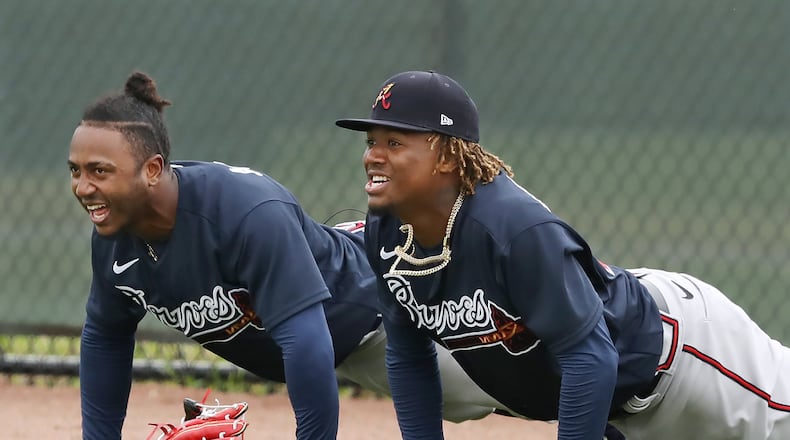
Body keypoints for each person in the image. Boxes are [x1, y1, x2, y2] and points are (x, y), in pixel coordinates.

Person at [335, 70, 790, 440]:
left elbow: (590, 358)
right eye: (371, 141)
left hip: (685, 359)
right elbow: (408, 354)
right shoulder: (388, 232)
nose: (373, 156)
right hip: (614, 407)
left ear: (448, 157)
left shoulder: (513, 230)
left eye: (395, 143)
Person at [68, 71, 512, 440]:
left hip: (378, 309)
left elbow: (307, 344)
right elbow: (106, 335)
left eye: (99, 171)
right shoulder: (115, 232)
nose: (83, 187)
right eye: (76, 171)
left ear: (151, 170)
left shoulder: (243, 213)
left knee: (515, 390)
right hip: (332, 331)